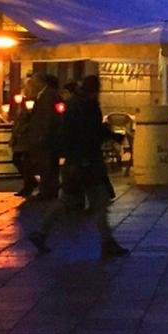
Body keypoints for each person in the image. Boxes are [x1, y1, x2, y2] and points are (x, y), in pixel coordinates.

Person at [28, 76, 128, 258]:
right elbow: (91, 132)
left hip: (75, 163)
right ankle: (107, 243)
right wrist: (112, 136)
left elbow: (71, 133)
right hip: (87, 162)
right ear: (95, 90)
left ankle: (41, 233)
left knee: (67, 201)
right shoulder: (87, 107)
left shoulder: (74, 104)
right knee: (99, 202)